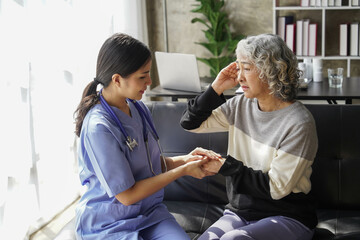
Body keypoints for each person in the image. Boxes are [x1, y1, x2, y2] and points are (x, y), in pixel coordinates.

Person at [73, 33, 214, 240]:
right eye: (142, 76)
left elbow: (148, 166)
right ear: (117, 80)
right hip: (110, 223)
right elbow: (127, 195)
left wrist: (188, 159)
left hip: (150, 214)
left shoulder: (138, 109)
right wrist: (183, 171)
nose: (149, 81)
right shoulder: (99, 127)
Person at [180, 33, 318, 240]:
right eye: (239, 68)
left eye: (246, 68)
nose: (239, 77)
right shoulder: (240, 105)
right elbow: (190, 123)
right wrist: (216, 87)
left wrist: (225, 166)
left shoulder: (299, 123)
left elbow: (276, 188)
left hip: (288, 217)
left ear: (271, 71)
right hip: (240, 213)